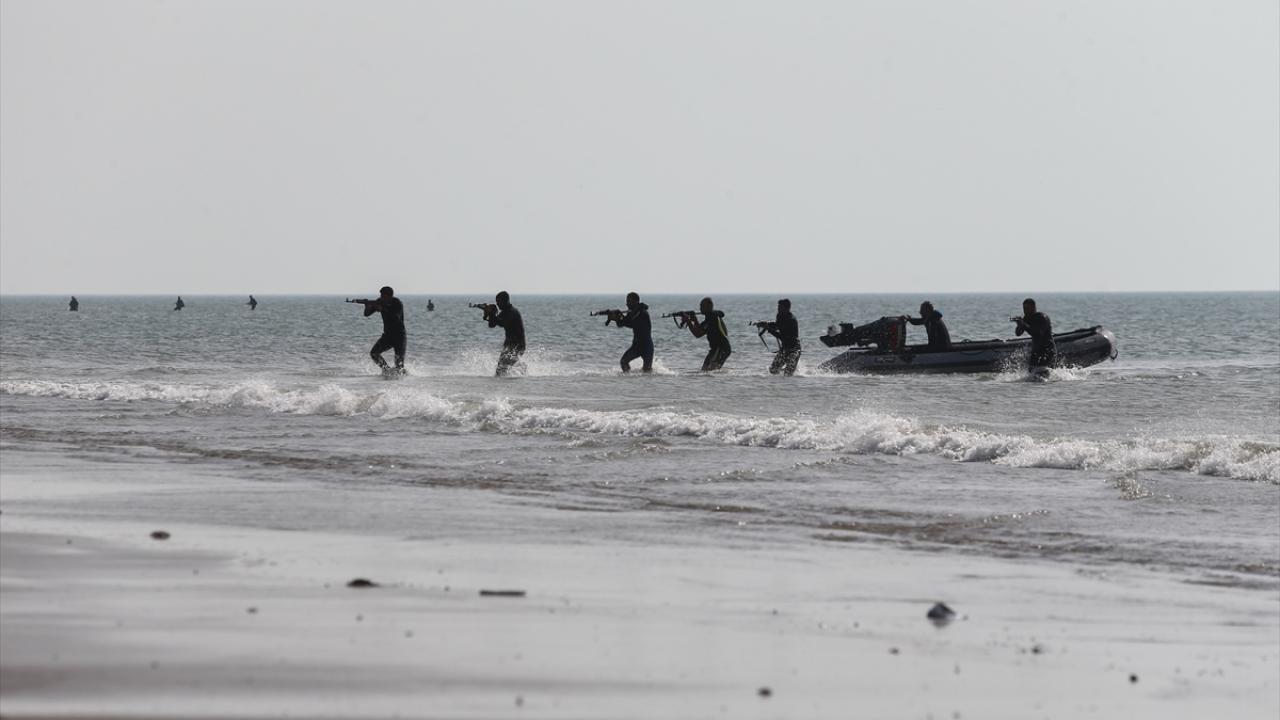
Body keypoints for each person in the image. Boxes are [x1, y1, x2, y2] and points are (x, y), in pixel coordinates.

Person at [358, 286, 406, 373]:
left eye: (383, 296)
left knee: (399, 364)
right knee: (374, 353)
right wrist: (367, 306)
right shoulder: (380, 302)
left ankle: (403, 377)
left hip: (399, 336)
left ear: (389, 296)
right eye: (381, 295)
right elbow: (367, 314)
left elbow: (395, 317)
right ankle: (387, 370)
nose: (381, 297)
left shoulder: (397, 303)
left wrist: (382, 308)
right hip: (387, 336)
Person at [609, 292, 653, 373]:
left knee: (647, 371)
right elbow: (622, 324)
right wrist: (616, 318)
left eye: (629, 301)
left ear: (636, 302)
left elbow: (632, 323)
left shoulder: (642, 312)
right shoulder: (631, 312)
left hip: (647, 345)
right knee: (623, 362)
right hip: (636, 345)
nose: (627, 304)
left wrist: (621, 317)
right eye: (627, 301)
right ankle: (628, 378)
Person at [685, 297, 731, 371]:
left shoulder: (712, 318)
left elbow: (697, 334)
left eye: (702, 306)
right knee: (704, 370)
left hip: (721, 348)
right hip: (715, 349)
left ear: (709, 306)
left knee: (710, 370)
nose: (700, 308)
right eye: (700, 306)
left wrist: (688, 321)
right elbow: (700, 329)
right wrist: (695, 320)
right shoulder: (710, 318)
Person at [486, 291, 525, 376]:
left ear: (505, 301)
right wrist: (490, 314)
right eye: (496, 302)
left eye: (499, 302)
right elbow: (492, 325)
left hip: (517, 344)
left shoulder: (512, 312)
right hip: (509, 344)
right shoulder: (504, 312)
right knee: (502, 367)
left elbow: (503, 323)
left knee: (501, 368)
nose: (497, 304)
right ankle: (521, 371)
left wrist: (493, 315)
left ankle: (521, 372)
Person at [1011, 297, 1055, 369]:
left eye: (1027, 308)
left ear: (1033, 307)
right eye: (1024, 308)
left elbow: (1038, 333)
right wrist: (1019, 325)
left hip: (1047, 350)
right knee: (1031, 372)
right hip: (1036, 351)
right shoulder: (1027, 318)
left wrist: (1024, 325)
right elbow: (1018, 333)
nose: (1025, 311)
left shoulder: (1042, 317)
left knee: (1043, 372)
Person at [761, 298, 801, 375]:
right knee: (773, 370)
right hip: (784, 349)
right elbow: (777, 326)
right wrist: (765, 324)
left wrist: (768, 328)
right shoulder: (779, 315)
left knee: (788, 374)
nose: (778, 309)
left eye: (780, 307)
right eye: (778, 307)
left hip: (794, 350)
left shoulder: (791, 320)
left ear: (787, 308)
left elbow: (782, 337)